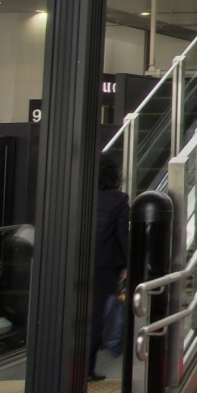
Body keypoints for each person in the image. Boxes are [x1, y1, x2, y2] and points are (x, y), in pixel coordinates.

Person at [89, 158, 129, 381]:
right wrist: (128, 263)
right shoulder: (118, 199)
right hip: (105, 265)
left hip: (75, 262)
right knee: (96, 314)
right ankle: (87, 367)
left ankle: (67, 367)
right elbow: (122, 235)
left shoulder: (78, 195)